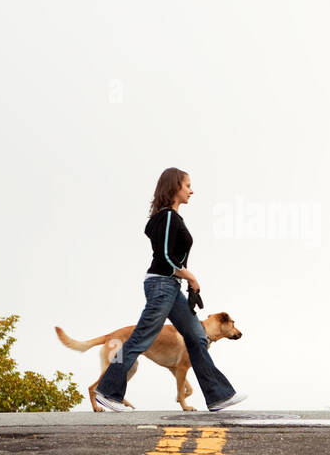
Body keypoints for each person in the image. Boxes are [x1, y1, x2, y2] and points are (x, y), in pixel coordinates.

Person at [93, 167, 247, 413]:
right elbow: (165, 256)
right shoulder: (167, 217)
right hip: (161, 285)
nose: (191, 191)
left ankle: (218, 395)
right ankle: (107, 391)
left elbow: (170, 256)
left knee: (197, 337)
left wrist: (183, 279)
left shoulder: (171, 218)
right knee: (140, 338)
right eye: (187, 186)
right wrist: (189, 275)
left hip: (171, 286)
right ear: (175, 187)